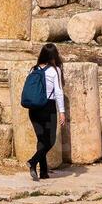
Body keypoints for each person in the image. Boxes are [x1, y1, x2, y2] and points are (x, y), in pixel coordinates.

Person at [27, 43, 67, 181]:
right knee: (50, 141)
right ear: (54, 55)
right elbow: (59, 92)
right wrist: (62, 112)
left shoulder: (33, 69)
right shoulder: (55, 70)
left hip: (33, 109)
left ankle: (43, 172)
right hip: (47, 108)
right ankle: (33, 161)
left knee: (41, 140)